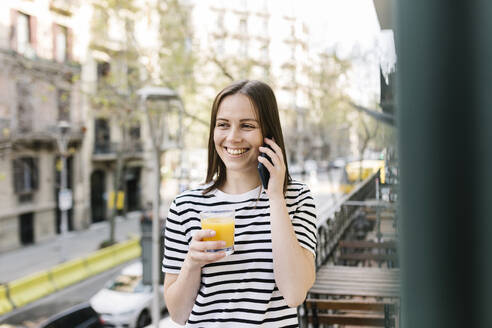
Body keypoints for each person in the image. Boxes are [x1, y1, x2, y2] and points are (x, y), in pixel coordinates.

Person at [162, 80, 317, 327]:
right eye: (223, 125)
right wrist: (191, 263)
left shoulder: (296, 198)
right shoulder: (185, 206)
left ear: (268, 133)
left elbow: (295, 293)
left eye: (247, 126)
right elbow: (178, 314)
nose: (233, 138)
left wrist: (275, 197)